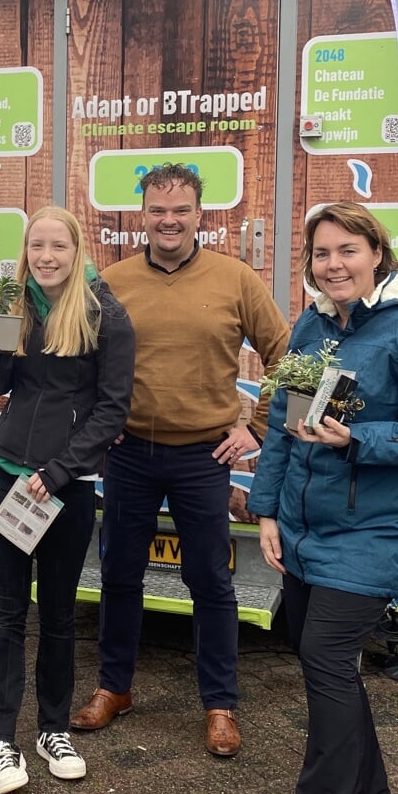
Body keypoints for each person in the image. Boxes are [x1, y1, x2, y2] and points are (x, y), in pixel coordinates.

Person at [247, 201, 398, 794]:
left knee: (325, 660)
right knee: (314, 650)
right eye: (321, 253)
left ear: (378, 253)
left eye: (348, 251)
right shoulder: (313, 323)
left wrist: (356, 439)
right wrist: (267, 510)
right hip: (308, 524)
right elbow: (282, 424)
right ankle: (367, 785)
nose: (333, 264)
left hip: (376, 529)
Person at [72, 163, 290, 757]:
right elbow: (80, 359)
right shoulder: (110, 282)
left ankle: (220, 704)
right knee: (119, 573)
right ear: (142, 215)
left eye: (181, 211)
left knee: (210, 581)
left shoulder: (236, 279)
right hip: (129, 457)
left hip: (203, 456)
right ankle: (114, 687)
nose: (169, 221)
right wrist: (98, 423)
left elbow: (289, 358)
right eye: (158, 210)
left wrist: (262, 427)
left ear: (200, 215)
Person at [0, 207, 135, 794]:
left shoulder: (104, 314)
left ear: (77, 249)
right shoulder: (13, 304)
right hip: (8, 475)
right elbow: (4, 387)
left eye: (57, 246)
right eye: (36, 245)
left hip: (63, 487)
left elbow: (112, 409)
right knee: (8, 609)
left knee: (60, 612)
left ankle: (50, 728)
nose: (46, 256)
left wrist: (62, 470)